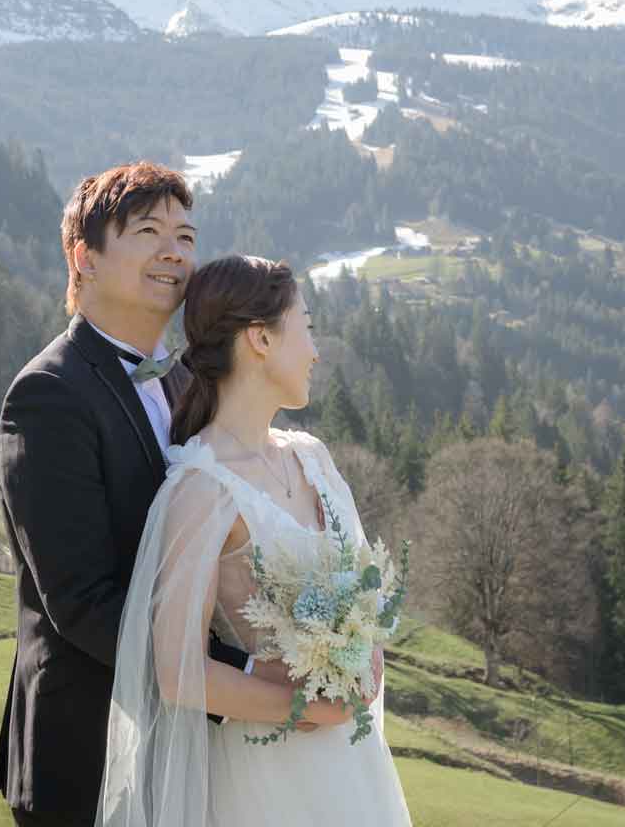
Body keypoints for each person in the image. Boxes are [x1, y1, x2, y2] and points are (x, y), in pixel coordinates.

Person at [0, 162, 284, 826]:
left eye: (185, 236)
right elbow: (83, 603)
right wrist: (238, 677)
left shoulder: (185, 387)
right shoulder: (48, 396)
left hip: (188, 749)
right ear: (82, 257)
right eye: (148, 231)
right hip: (91, 747)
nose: (174, 253)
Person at [100, 254, 411, 827]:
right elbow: (176, 674)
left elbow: (366, 598)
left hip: (353, 766)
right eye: (307, 327)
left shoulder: (313, 458)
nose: (316, 351)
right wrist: (305, 707)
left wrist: (364, 660)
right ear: (261, 338)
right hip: (266, 778)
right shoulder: (201, 488)